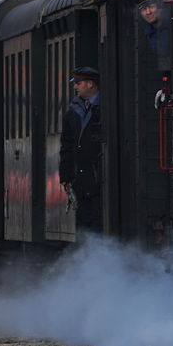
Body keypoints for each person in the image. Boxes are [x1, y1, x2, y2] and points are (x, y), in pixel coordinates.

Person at [59, 66, 102, 233]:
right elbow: (67, 145)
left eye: (78, 83)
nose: (75, 87)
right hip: (80, 181)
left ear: (90, 84)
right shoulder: (72, 113)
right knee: (86, 222)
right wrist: (65, 175)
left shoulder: (104, 107)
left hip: (97, 178)